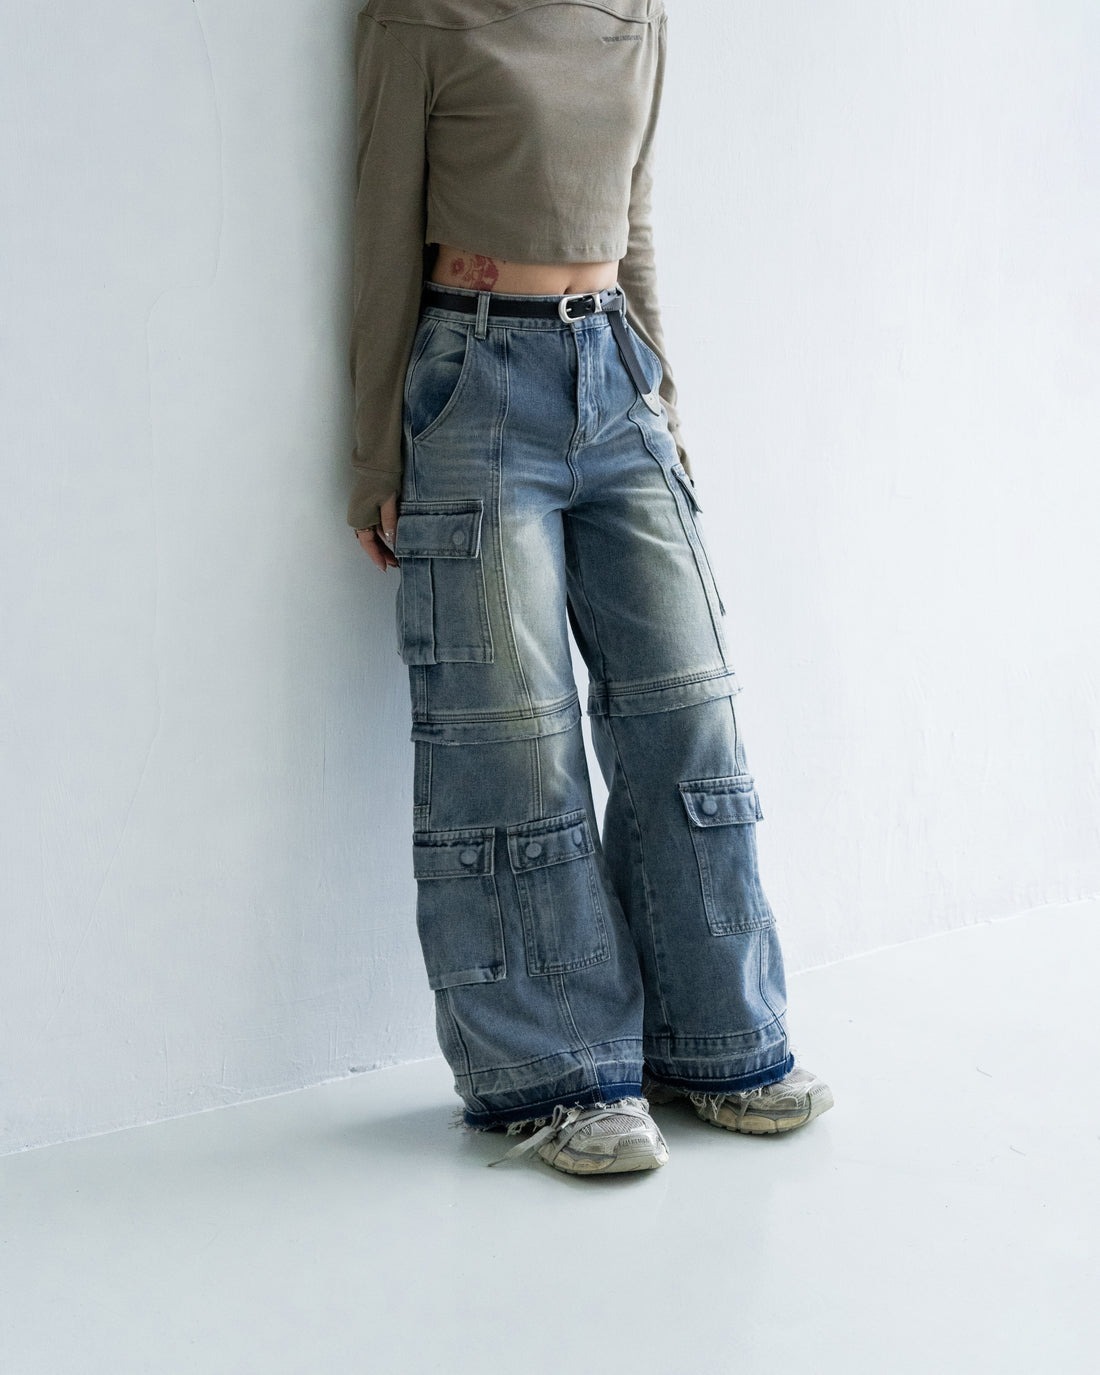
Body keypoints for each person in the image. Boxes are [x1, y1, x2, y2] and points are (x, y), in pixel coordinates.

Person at [347, 0, 833, 1177]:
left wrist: (661, 404)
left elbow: (636, 218)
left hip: (615, 376)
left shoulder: (636, 14)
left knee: (688, 714)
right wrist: (373, 457)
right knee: (514, 742)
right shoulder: (420, 17)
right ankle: (560, 1075)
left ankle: (715, 1042)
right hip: (476, 380)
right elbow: (379, 232)